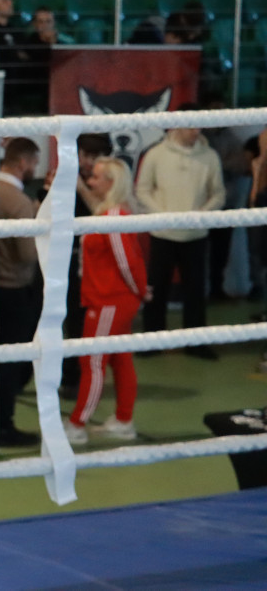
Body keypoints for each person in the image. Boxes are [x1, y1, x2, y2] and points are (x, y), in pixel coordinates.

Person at [63, 157, 147, 446]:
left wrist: (140, 290)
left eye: (96, 177)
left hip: (110, 300)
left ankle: (77, 425)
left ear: (111, 183)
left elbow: (128, 262)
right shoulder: (109, 213)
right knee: (121, 360)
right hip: (111, 298)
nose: (90, 182)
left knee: (93, 361)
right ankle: (124, 419)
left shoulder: (112, 216)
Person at [136, 103, 226, 360]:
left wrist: (200, 217)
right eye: (190, 124)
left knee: (196, 290)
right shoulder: (156, 155)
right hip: (163, 235)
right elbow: (142, 190)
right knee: (157, 288)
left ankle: (195, 342)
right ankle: (152, 340)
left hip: (195, 236)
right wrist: (162, 216)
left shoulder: (210, 157)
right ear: (177, 123)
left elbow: (218, 194)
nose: (195, 130)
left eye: (198, 124)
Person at [39, 133, 113, 396]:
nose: (90, 162)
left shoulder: (109, 182)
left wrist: (83, 188)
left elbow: (106, 213)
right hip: (64, 257)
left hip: (93, 261)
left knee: (83, 322)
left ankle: (81, 379)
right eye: (87, 156)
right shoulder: (63, 175)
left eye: (96, 157)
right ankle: (67, 377)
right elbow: (44, 209)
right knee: (60, 318)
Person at [0, 137, 42, 447]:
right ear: (23, 162)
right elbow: (27, 255)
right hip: (13, 289)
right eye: (34, 163)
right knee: (11, 364)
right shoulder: (18, 202)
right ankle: (4, 426)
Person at [0, 0, 34, 117]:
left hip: (16, 89)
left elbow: (25, 54)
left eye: (10, 0)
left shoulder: (15, 30)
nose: (10, 3)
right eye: (5, 0)